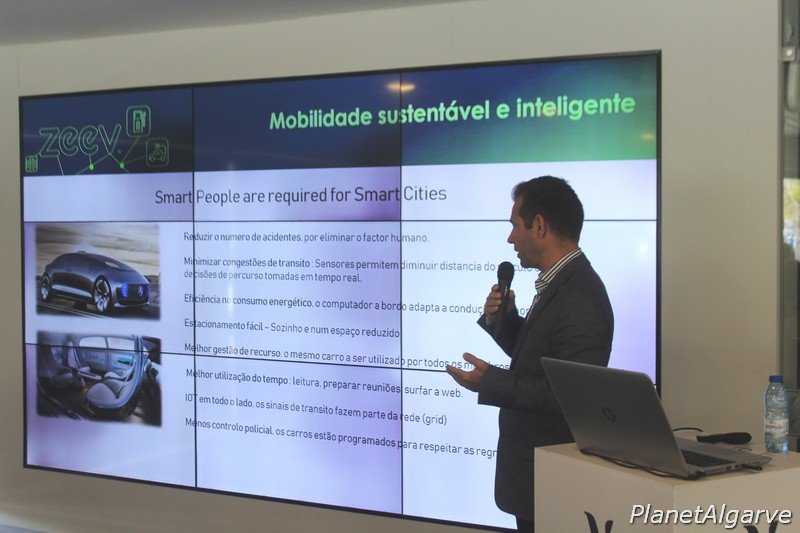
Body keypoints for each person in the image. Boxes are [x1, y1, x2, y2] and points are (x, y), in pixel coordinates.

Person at [445, 175, 614, 532]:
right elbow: (544, 362)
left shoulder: (580, 296)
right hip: (535, 478)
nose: (510, 239)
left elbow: (570, 394)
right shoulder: (560, 283)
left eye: (514, 226)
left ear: (539, 226)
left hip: (551, 482)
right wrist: (505, 322)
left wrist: (491, 382)